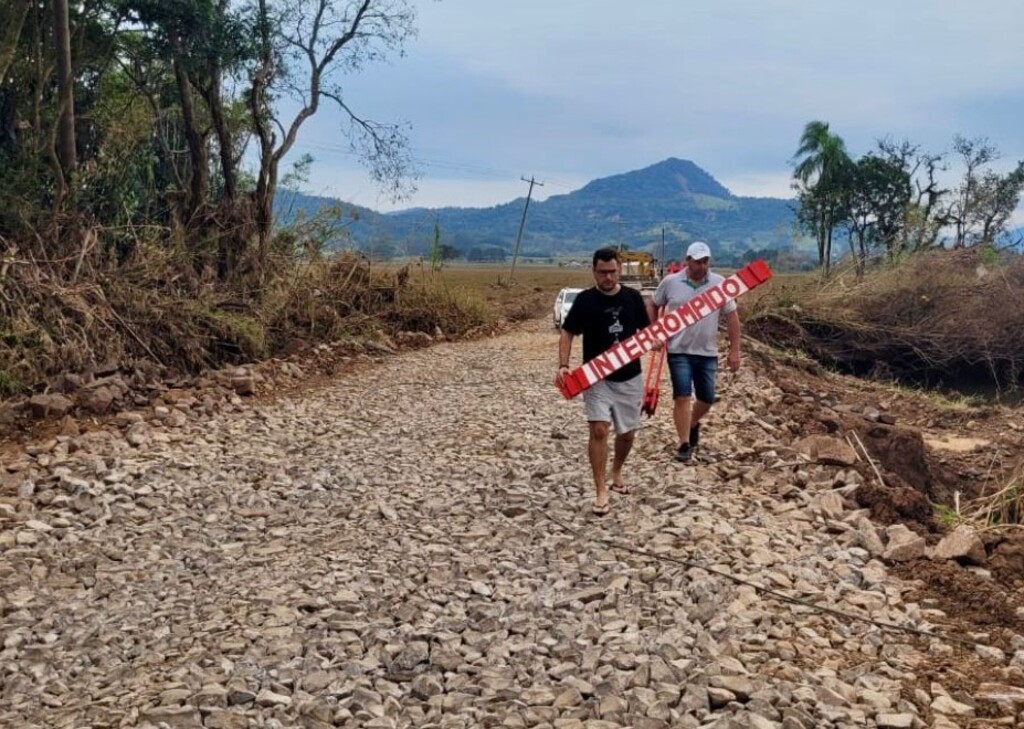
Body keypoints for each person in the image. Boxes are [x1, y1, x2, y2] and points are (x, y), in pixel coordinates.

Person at [555, 248, 654, 515]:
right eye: (602, 272)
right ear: (594, 271)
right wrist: (564, 366)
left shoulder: (633, 298)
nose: (608, 277)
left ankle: (616, 471)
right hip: (596, 378)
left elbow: (648, 332)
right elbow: (567, 333)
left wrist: (655, 342)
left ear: (619, 270)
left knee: (627, 433)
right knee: (599, 430)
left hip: (630, 377)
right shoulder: (585, 301)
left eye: (612, 272)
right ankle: (600, 489)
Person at [647, 241, 740, 463]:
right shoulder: (671, 282)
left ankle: (692, 423)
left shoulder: (719, 284)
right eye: (697, 261)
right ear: (687, 261)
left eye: (705, 261)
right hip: (678, 350)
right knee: (682, 395)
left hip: (707, 352)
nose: (702, 266)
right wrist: (654, 332)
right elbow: (652, 304)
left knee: (706, 398)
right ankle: (684, 443)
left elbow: (733, 318)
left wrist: (735, 350)